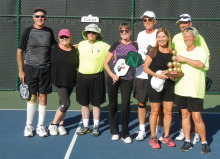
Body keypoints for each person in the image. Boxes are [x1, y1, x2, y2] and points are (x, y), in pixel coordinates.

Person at [17, 7, 56, 137]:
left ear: (45, 18)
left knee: (43, 97)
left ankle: (40, 126)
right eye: (37, 16)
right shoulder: (27, 31)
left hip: (45, 69)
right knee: (32, 96)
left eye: (42, 16)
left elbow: (56, 47)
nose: (40, 18)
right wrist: (21, 71)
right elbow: (19, 51)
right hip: (30, 69)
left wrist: (69, 46)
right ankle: (29, 125)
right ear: (34, 18)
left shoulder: (49, 31)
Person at [172, 14, 210, 143]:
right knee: (184, 114)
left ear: (190, 24)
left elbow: (204, 59)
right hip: (181, 83)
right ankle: (185, 132)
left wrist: (186, 60)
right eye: (180, 23)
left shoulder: (199, 40)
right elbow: (173, 57)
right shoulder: (176, 38)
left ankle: (197, 134)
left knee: (196, 115)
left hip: (194, 84)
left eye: (185, 23)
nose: (182, 25)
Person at [104, 23, 138, 144]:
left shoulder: (135, 45)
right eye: (122, 31)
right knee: (113, 105)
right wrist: (112, 75)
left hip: (127, 79)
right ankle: (114, 131)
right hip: (114, 78)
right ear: (120, 32)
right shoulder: (115, 45)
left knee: (125, 105)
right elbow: (106, 63)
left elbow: (138, 60)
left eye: (127, 30)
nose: (124, 32)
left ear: (130, 31)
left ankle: (125, 133)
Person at [143, 28, 176, 149]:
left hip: (169, 86)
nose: (161, 39)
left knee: (168, 112)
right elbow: (146, 68)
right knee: (155, 112)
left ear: (167, 38)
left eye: (163, 37)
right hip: (154, 85)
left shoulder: (173, 52)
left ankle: (166, 136)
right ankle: (153, 137)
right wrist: (158, 75)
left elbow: (176, 68)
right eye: (159, 37)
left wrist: (171, 72)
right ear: (156, 39)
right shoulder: (153, 50)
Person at [76, 24, 110, 137]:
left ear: (97, 34)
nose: (91, 34)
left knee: (96, 103)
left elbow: (117, 52)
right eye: (89, 32)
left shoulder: (104, 46)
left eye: (93, 32)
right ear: (86, 34)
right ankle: (85, 126)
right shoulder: (80, 45)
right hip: (82, 77)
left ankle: (96, 126)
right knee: (84, 103)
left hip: (97, 77)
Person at [134, 11, 163, 141]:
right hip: (141, 74)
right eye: (144, 20)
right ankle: (142, 130)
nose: (146, 22)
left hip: (155, 75)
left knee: (156, 106)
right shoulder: (140, 34)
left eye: (149, 20)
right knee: (141, 103)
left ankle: (159, 131)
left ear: (155, 21)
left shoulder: (159, 34)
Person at [48, 29, 79, 136]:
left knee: (62, 104)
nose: (64, 39)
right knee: (66, 103)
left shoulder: (75, 50)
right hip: (58, 80)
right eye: (62, 37)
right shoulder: (53, 48)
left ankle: (61, 125)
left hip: (70, 80)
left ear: (70, 37)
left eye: (66, 37)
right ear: (58, 38)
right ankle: (53, 124)